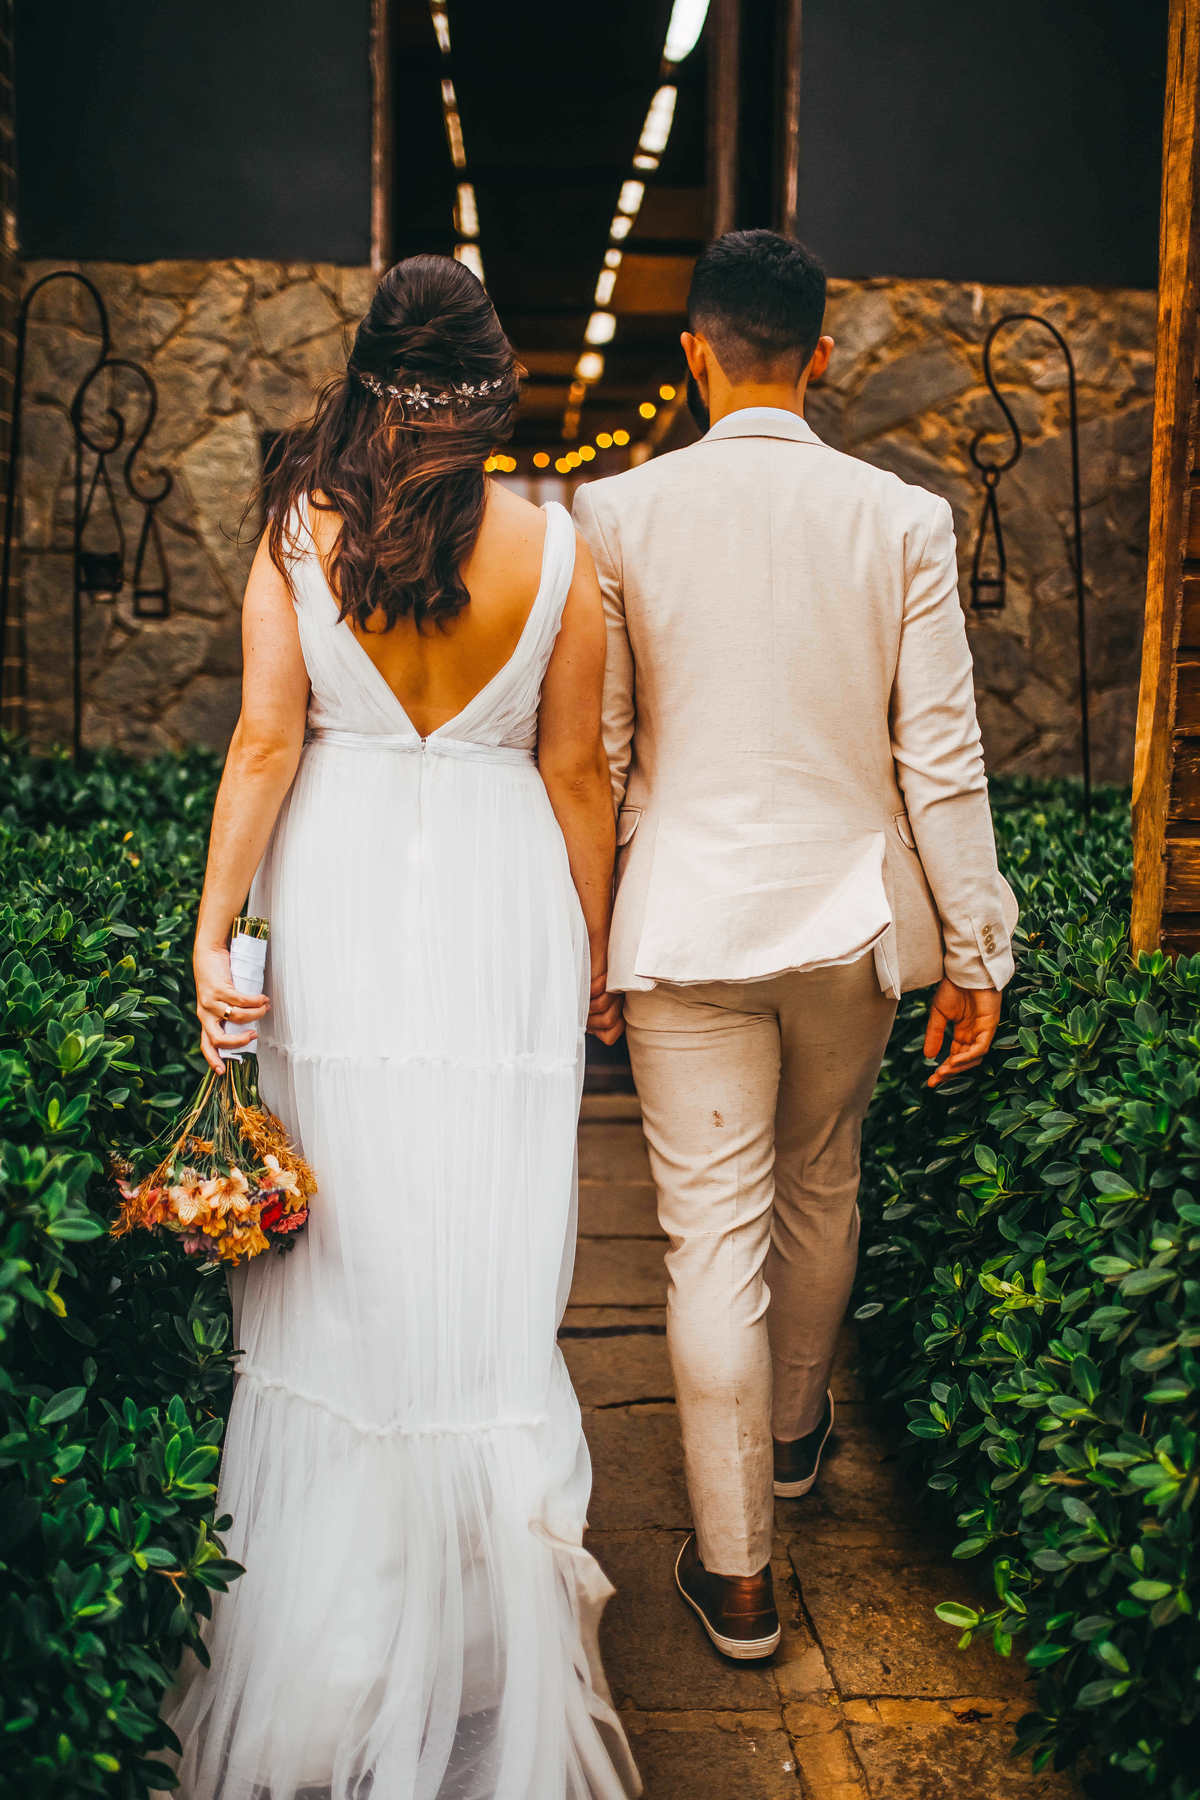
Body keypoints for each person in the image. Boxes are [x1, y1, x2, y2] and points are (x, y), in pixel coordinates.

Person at [164, 255, 639, 1799]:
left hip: (350, 897)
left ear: (371, 379)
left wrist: (217, 927)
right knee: (480, 1248)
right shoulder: (559, 549)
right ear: (497, 392)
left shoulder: (301, 530)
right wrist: (592, 956)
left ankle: (337, 1633)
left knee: (348, 1255)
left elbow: (263, 742)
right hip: (503, 918)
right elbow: (579, 775)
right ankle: (481, 1627)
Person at [573, 228, 1017, 1662]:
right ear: (820, 358)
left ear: (693, 352)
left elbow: (611, 755)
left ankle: (738, 1572)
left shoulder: (616, 515)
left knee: (709, 1243)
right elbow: (941, 759)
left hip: (687, 917)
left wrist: (596, 939)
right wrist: (976, 950)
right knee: (824, 1180)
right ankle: (794, 1435)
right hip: (852, 921)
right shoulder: (900, 520)